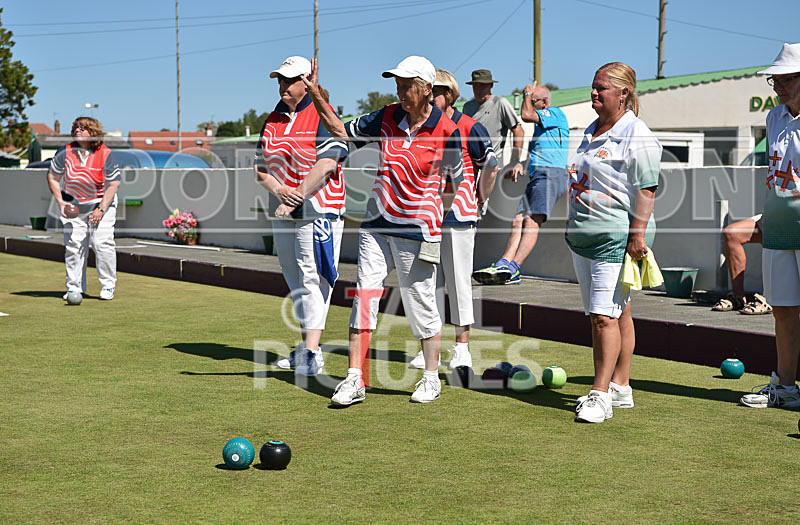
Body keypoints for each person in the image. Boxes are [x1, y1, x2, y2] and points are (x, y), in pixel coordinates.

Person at [304, 55, 464, 405]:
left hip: (417, 231)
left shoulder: (446, 130)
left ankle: (431, 377)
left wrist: (433, 217)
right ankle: (354, 378)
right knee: (363, 298)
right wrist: (315, 94)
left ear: (426, 89)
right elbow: (341, 130)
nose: (400, 92)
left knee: (420, 304)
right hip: (376, 226)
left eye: (406, 86)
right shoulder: (387, 115)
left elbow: (455, 182)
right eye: (397, 85)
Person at [565, 62, 662, 423]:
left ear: (623, 93)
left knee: (603, 317)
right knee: (617, 312)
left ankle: (600, 394)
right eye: (593, 86)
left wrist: (637, 234)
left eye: (601, 88)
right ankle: (620, 387)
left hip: (616, 237)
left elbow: (647, 188)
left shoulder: (636, 133)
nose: (594, 93)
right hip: (585, 236)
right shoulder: (590, 131)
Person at [254, 55, 349, 377]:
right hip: (285, 210)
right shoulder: (273, 119)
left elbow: (328, 163)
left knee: (313, 278)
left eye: (290, 79)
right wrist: (280, 190)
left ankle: (311, 351)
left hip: (320, 210)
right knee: (294, 278)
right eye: (280, 79)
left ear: (306, 82)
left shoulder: (322, 113)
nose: (283, 85)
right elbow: (260, 169)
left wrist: (295, 197)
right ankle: (307, 347)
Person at [407, 69, 498, 370]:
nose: (431, 96)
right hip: (426, 217)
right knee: (427, 284)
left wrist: (480, 198)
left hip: (458, 216)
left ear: (450, 94)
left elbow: (491, 165)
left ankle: (462, 348)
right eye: (428, 90)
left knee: (459, 281)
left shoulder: (469, 126)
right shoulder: (420, 126)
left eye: (436, 91)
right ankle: (428, 347)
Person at [740, 43, 800, 409]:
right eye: (773, 80)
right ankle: (786, 387)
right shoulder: (774, 117)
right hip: (778, 227)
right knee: (783, 309)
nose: (777, 86)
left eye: (784, 79)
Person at [472, 81, 570, 285]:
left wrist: (526, 94)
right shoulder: (543, 128)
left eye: (533, 101)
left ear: (544, 102)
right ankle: (504, 263)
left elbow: (525, 115)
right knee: (518, 220)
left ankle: (514, 269)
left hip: (550, 174)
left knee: (532, 221)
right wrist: (517, 163)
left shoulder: (555, 113)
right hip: (538, 176)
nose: (530, 104)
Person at [46, 117, 121, 301]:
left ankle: (108, 285)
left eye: (83, 128)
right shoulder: (65, 151)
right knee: (74, 246)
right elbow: (53, 177)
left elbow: (113, 184)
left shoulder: (105, 153)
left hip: (102, 203)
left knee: (101, 243)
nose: (77, 130)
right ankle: (74, 288)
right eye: (76, 128)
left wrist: (100, 210)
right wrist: (61, 202)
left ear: (93, 132)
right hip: (74, 206)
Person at [462, 69, 525, 181]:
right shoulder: (467, 107)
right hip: (470, 168)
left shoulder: (500, 103)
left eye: (482, 85)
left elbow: (518, 131)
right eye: (475, 86)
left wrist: (514, 161)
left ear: (491, 85)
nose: (478, 89)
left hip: (493, 167)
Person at [711, 215, 772, 314]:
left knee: (775, 228)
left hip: (791, 219)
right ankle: (738, 297)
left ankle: (770, 298)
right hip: (771, 214)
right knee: (732, 233)